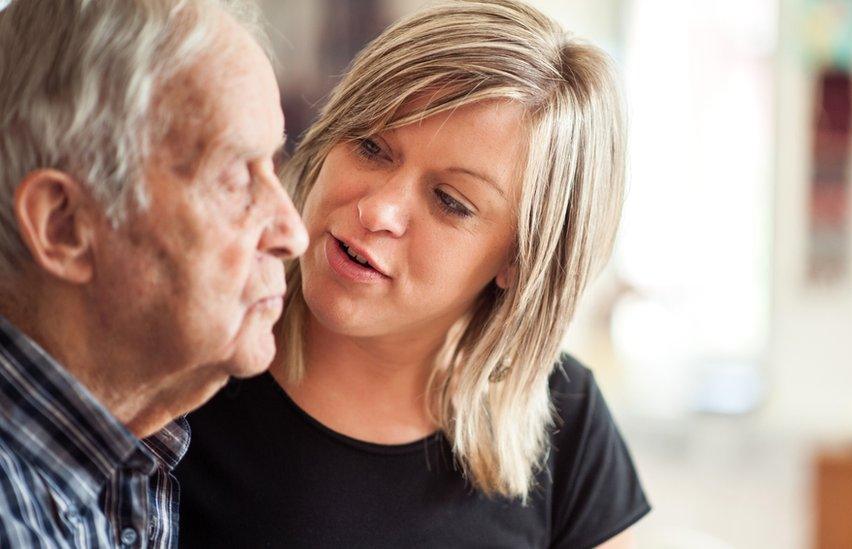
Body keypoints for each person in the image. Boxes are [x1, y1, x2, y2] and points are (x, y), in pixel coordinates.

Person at [176, 0, 650, 547]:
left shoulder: (567, 420)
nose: (378, 211)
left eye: (450, 201)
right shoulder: (186, 357)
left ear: (520, 260)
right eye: (371, 146)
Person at [0, 0, 307, 546]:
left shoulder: (131, 456)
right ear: (64, 225)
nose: (293, 233)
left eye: (274, 169)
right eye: (236, 179)